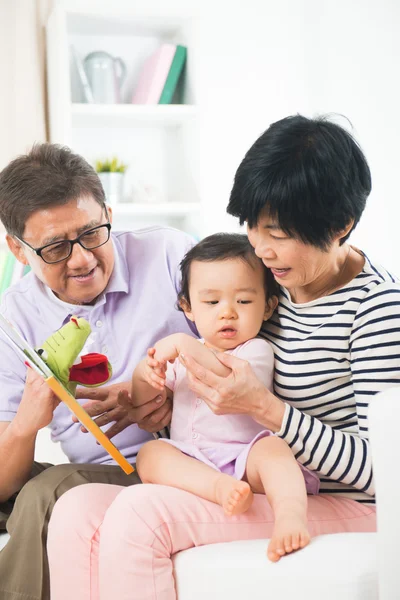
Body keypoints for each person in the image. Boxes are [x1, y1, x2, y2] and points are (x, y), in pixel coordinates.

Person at [47, 114, 400, 600]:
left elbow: (384, 470)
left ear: (340, 226)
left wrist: (266, 410)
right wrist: (165, 402)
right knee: (77, 509)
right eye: (252, 227)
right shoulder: (272, 284)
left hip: (342, 501)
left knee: (141, 514)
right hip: (241, 475)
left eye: (278, 234)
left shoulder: (377, 310)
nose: (261, 248)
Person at [0, 143, 198, 600]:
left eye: (92, 233)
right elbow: (5, 480)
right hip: (102, 473)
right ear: (17, 248)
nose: (82, 259)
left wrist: (166, 393)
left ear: (109, 212)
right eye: (54, 248)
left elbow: (243, 347)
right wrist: (29, 420)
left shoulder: (170, 256)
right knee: (27, 488)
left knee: (51, 491)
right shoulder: (15, 317)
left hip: (189, 461)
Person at [131, 232, 320, 561]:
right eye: (211, 302)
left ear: (268, 307)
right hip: (193, 461)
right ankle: (219, 489)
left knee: (273, 448)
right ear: (187, 308)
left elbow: (228, 380)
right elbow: (142, 403)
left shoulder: (257, 351)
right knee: (151, 453)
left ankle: (290, 515)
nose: (228, 313)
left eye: (244, 301)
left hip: (246, 458)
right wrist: (146, 375)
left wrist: (183, 345)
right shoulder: (181, 354)